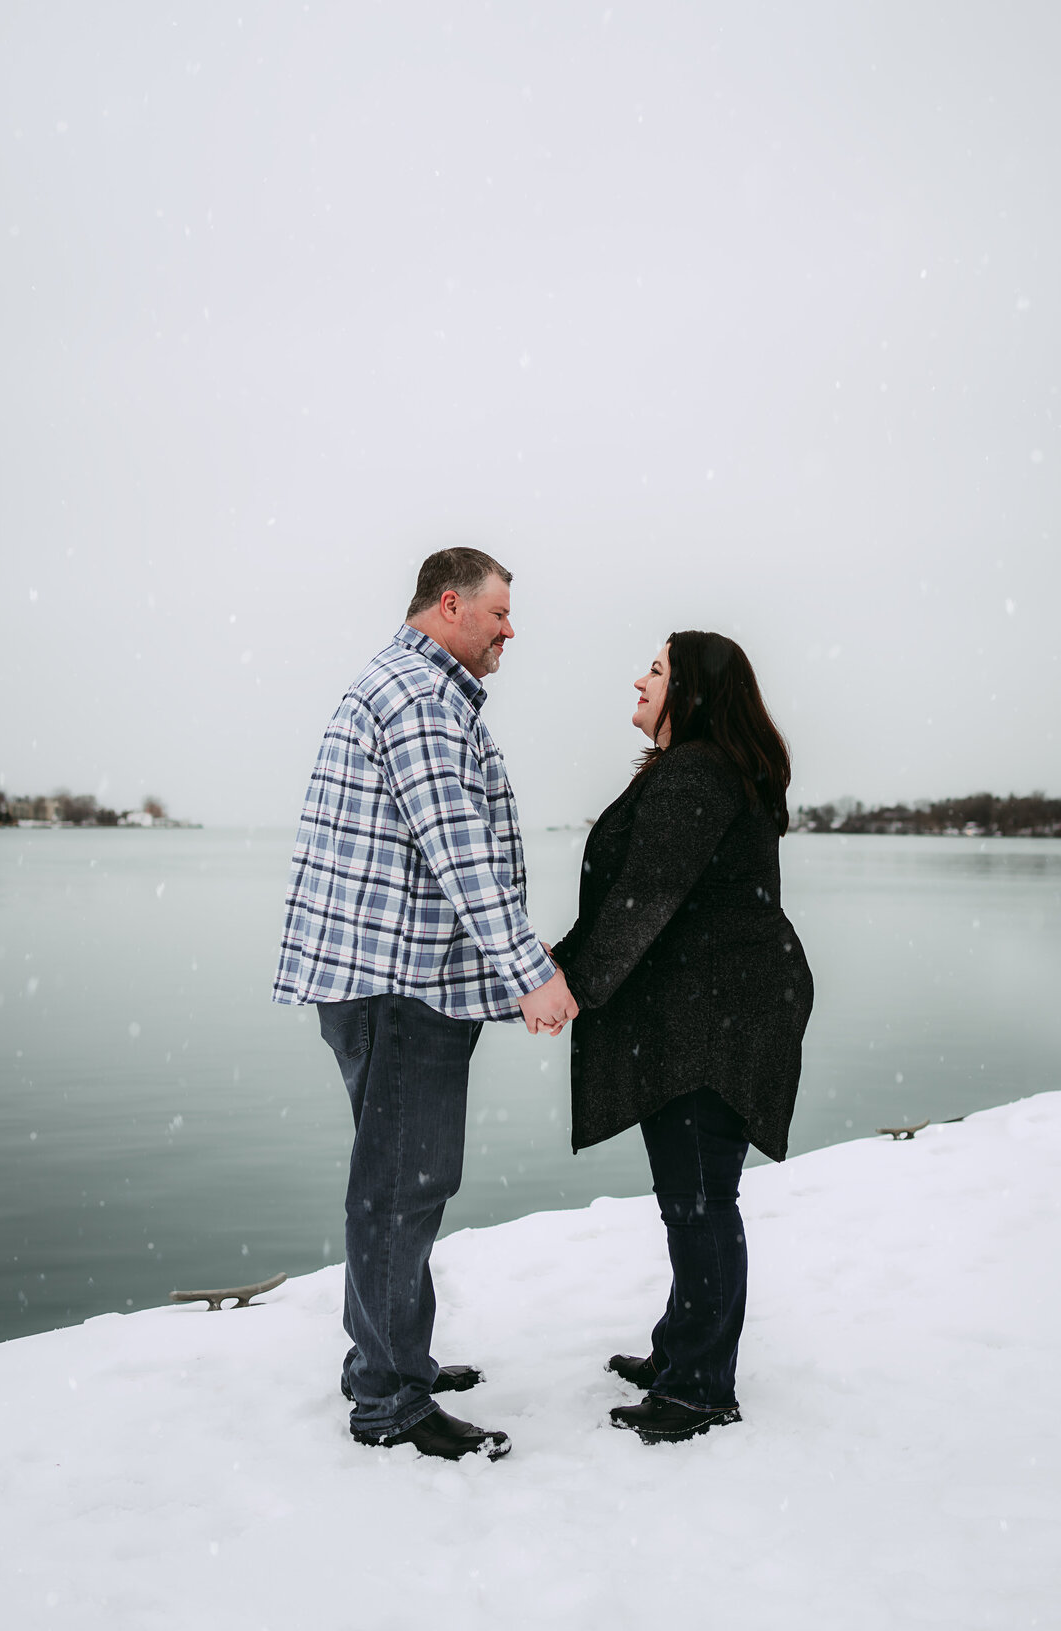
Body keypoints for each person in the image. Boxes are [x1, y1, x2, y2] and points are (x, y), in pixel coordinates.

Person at [273, 548, 579, 1462]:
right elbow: (458, 851)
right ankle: (389, 1401)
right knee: (402, 1189)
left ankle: (388, 1355)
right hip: (399, 985)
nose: (509, 630)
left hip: (389, 980)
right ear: (450, 605)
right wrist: (530, 970)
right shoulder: (418, 696)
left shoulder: (412, 687)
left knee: (396, 1184)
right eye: (498, 614)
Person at [550, 631, 813, 1444]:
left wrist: (568, 985)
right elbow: (645, 898)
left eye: (657, 670)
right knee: (697, 1196)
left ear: (691, 692)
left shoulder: (696, 772)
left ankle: (699, 1387)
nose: (639, 678)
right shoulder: (701, 769)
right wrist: (560, 968)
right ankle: (683, 1351)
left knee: (698, 1201)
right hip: (722, 1010)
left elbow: (644, 897)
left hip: (717, 1021)